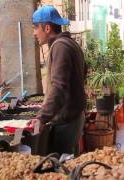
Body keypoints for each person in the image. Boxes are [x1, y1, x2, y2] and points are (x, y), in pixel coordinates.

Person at [32, 5, 86, 155]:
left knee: (58, 167)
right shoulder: (71, 44)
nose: (34, 32)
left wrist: (42, 118)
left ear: (47, 28)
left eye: (36, 27)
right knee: (67, 163)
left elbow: (59, 87)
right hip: (73, 117)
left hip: (66, 121)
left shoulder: (60, 47)